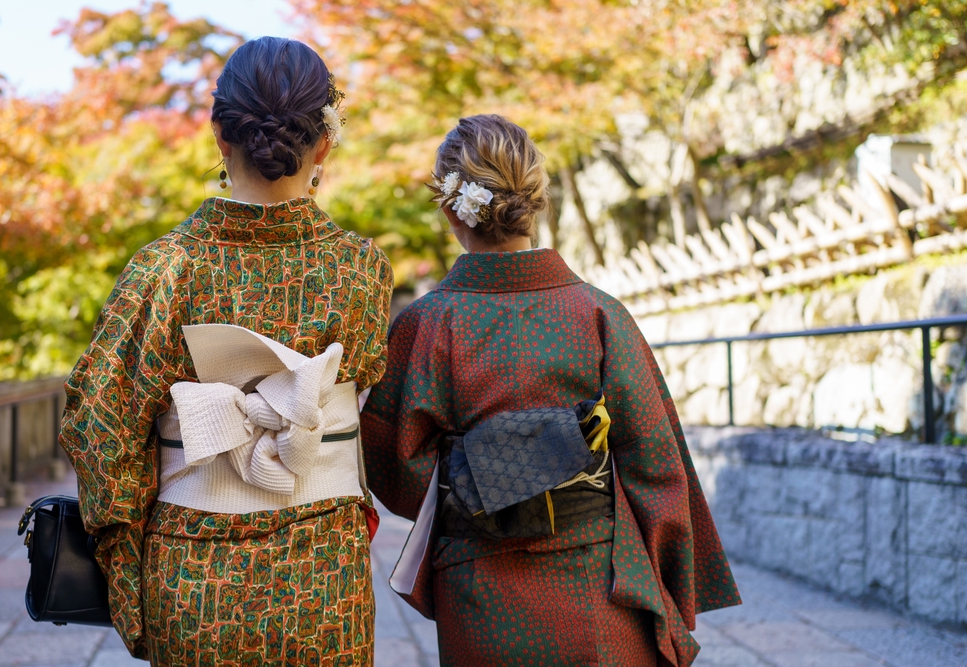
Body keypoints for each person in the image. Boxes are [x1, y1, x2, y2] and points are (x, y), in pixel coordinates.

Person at [361, 114, 740, 666]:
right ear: (536, 200)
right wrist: (666, 589)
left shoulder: (427, 324)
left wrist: (481, 484)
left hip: (479, 589)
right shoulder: (599, 314)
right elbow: (658, 468)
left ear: (449, 209)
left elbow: (395, 466)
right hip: (598, 585)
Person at [60, 37, 392, 666]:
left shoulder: (164, 270)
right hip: (323, 577)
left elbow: (100, 429)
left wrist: (131, 570)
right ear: (324, 143)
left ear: (219, 136)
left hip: (192, 574)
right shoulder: (359, 269)